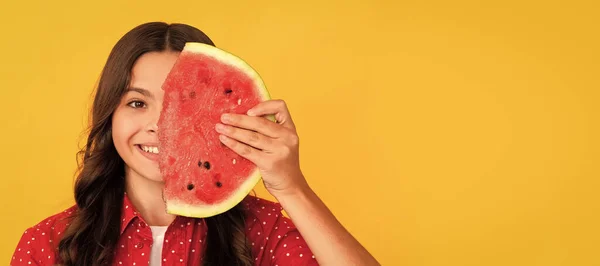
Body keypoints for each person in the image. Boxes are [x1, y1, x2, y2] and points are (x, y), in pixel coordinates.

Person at [10, 22, 379, 266]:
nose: (159, 126)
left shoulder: (262, 232)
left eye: (180, 105)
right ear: (110, 116)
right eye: (137, 103)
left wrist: (292, 188)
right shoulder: (48, 245)